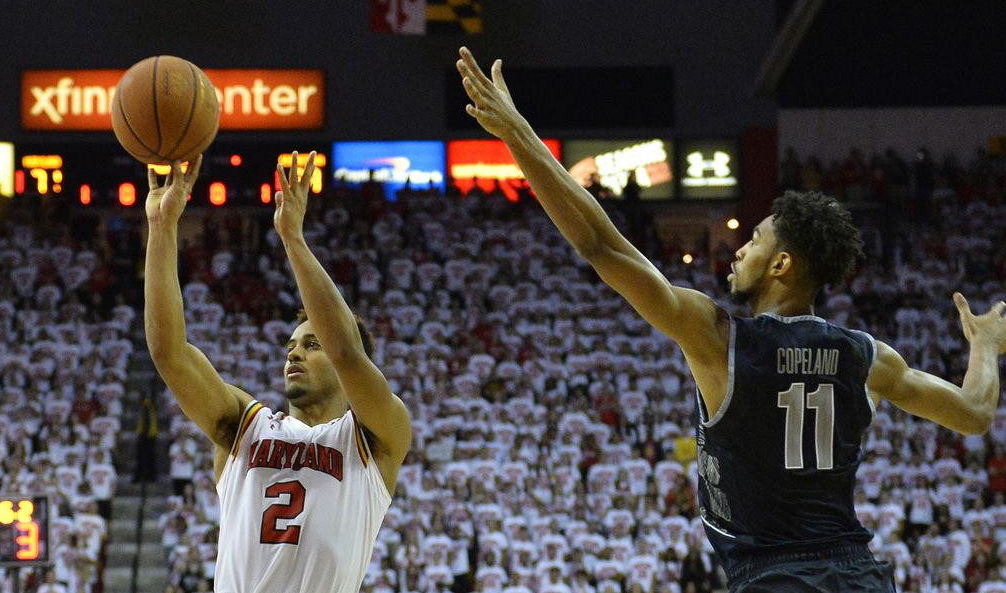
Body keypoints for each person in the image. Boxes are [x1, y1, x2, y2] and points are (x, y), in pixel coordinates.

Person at [456, 46, 1006, 592]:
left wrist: (518, 136)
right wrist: (983, 345)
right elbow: (976, 412)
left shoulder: (721, 338)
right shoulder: (867, 357)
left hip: (774, 578)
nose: (739, 249)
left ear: (783, 264)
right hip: (859, 577)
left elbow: (600, 244)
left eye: (755, 240)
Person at [144, 153, 411, 593]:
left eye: (310, 344)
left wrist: (293, 239)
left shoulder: (376, 436)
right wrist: (161, 226)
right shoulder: (245, 426)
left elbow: (346, 352)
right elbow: (168, 353)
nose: (294, 355)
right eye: (290, 346)